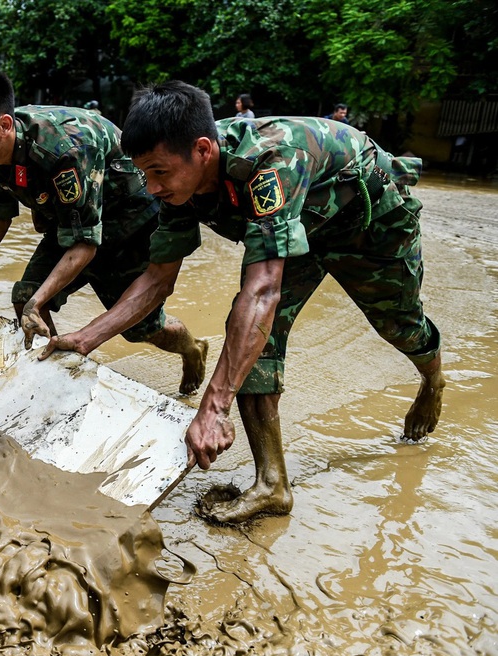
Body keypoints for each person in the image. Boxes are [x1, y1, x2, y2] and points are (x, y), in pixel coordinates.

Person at [41, 80, 445, 524]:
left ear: (202, 150)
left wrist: (213, 408)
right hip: (301, 234)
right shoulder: (180, 187)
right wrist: (85, 338)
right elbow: (157, 279)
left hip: (371, 222)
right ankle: (273, 485)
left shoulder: (270, 163)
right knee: (255, 341)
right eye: (144, 175)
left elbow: (263, 290)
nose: (151, 187)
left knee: (399, 326)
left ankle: (432, 379)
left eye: (159, 171)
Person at [0, 64, 208, 394]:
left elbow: (84, 246)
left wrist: (39, 302)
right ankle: (55, 382)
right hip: (74, 220)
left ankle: (193, 349)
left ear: (3, 126)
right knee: (25, 298)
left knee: (142, 328)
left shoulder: (64, 149)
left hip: (129, 220)